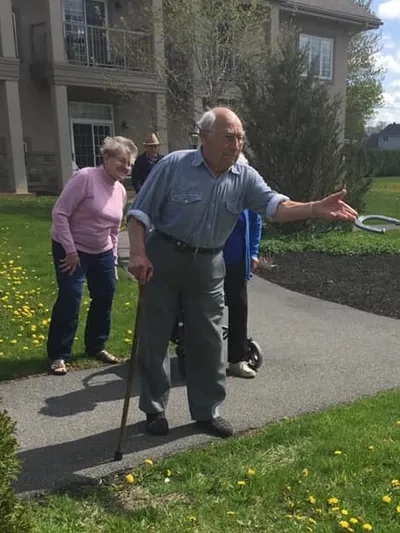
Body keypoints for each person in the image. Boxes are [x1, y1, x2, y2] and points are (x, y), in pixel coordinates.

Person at [126, 107, 357, 439]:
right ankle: (154, 410)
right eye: (229, 137)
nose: (236, 144)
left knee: (208, 340)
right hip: (163, 256)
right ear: (204, 138)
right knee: (156, 337)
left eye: (240, 138)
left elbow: (275, 206)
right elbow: (139, 213)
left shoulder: (244, 176)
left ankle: (207, 411)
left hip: (208, 264)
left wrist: (314, 208)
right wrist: (137, 252)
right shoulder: (174, 165)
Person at [47, 136, 137, 375]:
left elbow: (114, 230)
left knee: (105, 293)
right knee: (71, 296)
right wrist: (70, 250)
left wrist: (114, 260)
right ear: (106, 157)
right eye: (122, 161)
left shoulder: (119, 190)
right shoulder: (85, 178)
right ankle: (58, 354)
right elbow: (60, 213)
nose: (126, 168)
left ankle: (96, 345)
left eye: (130, 164)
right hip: (71, 248)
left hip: (102, 250)